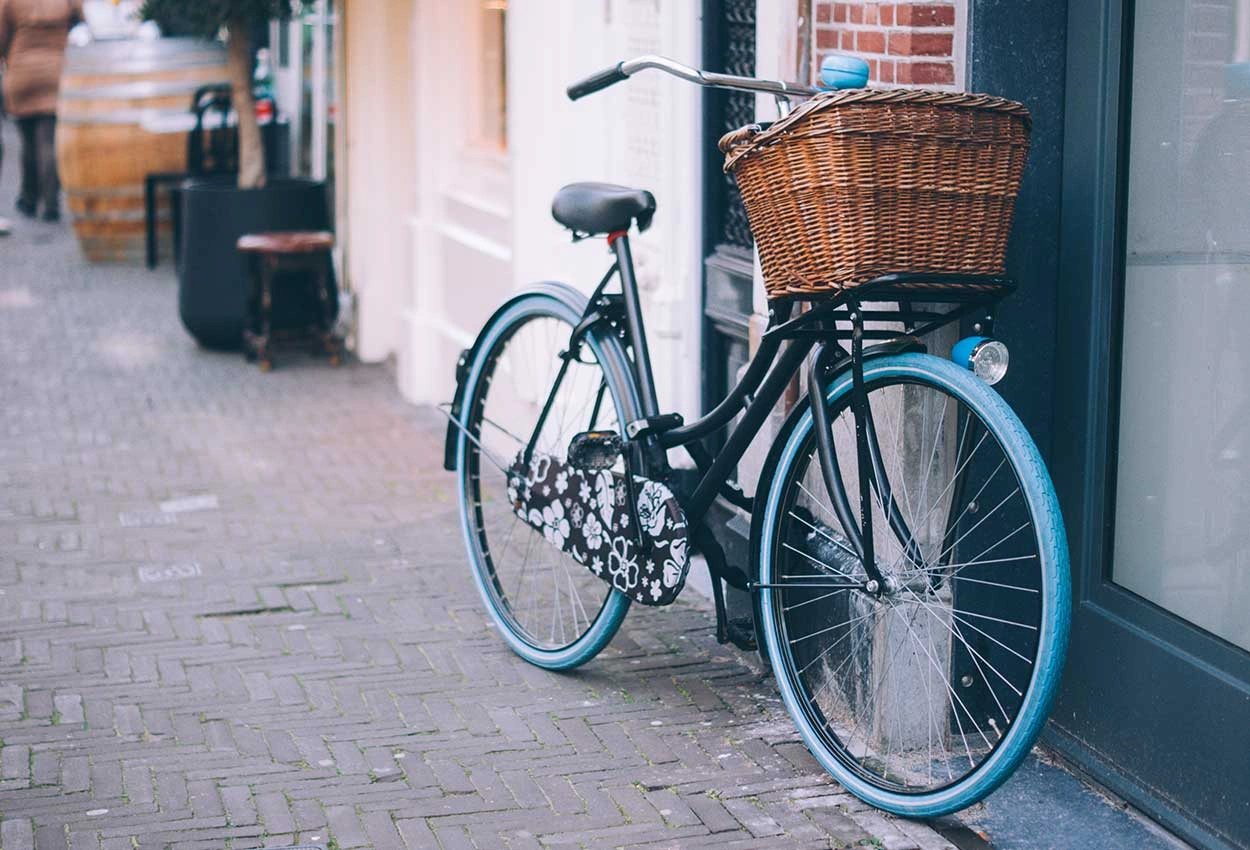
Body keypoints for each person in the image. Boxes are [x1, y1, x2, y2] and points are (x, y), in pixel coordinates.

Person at [0, 0, 83, 223]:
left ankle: (28, 198)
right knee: (48, 140)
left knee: (27, 141)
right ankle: (51, 203)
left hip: (21, 72)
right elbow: (80, 19)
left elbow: (2, 37)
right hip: (55, 70)